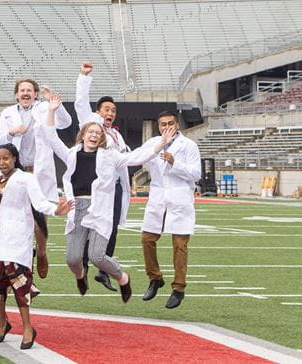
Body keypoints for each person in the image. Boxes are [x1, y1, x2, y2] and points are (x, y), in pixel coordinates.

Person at [38, 92, 172, 303]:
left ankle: (122, 277)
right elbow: (51, 138)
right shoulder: (71, 154)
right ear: (83, 134)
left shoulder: (110, 156)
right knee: (73, 259)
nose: (94, 135)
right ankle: (80, 276)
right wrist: (52, 110)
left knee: (97, 256)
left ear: (102, 138)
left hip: (100, 210)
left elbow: (137, 156)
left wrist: (161, 143)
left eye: (98, 133)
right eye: (90, 131)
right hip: (76, 208)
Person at [0, 144, 72, 350]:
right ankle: (2, 323)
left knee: (20, 283)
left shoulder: (25, 178)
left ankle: (28, 328)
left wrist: (56, 210)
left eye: (6, 158)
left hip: (17, 237)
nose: (2, 162)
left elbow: (39, 203)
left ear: (14, 158)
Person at [0, 78, 73, 279]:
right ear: (16, 94)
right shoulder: (8, 113)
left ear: (35, 94)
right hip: (16, 172)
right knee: (18, 220)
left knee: (40, 221)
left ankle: (42, 252)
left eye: (29, 90)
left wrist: (56, 105)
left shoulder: (45, 108)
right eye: (22, 90)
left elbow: (66, 123)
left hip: (40, 171)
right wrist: (11, 132)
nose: (25, 93)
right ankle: (23, 264)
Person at [75, 61, 129, 291]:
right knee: (88, 226)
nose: (110, 113)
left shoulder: (116, 136)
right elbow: (80, 103)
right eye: (106, 109)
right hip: (94, 187)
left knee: (112, 227)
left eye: (113, 111)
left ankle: (103, 271)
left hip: (114, 187)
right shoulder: (91, 127)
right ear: (98, 112)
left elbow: (126, 158)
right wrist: (84, 77)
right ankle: (84, 268)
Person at [138, 111, 200, 309]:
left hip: (179, 199)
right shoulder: (153, 143)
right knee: (147, 239)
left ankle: (179, 288)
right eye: (163, 124)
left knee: (180, 245)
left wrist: (175, 163)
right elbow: (137, 156)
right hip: (158, 198)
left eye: (170, 123)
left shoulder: (189, 146)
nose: (167, 127)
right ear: (159, 127)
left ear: (177, 125)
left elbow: (196, 174)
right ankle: (155, 278)